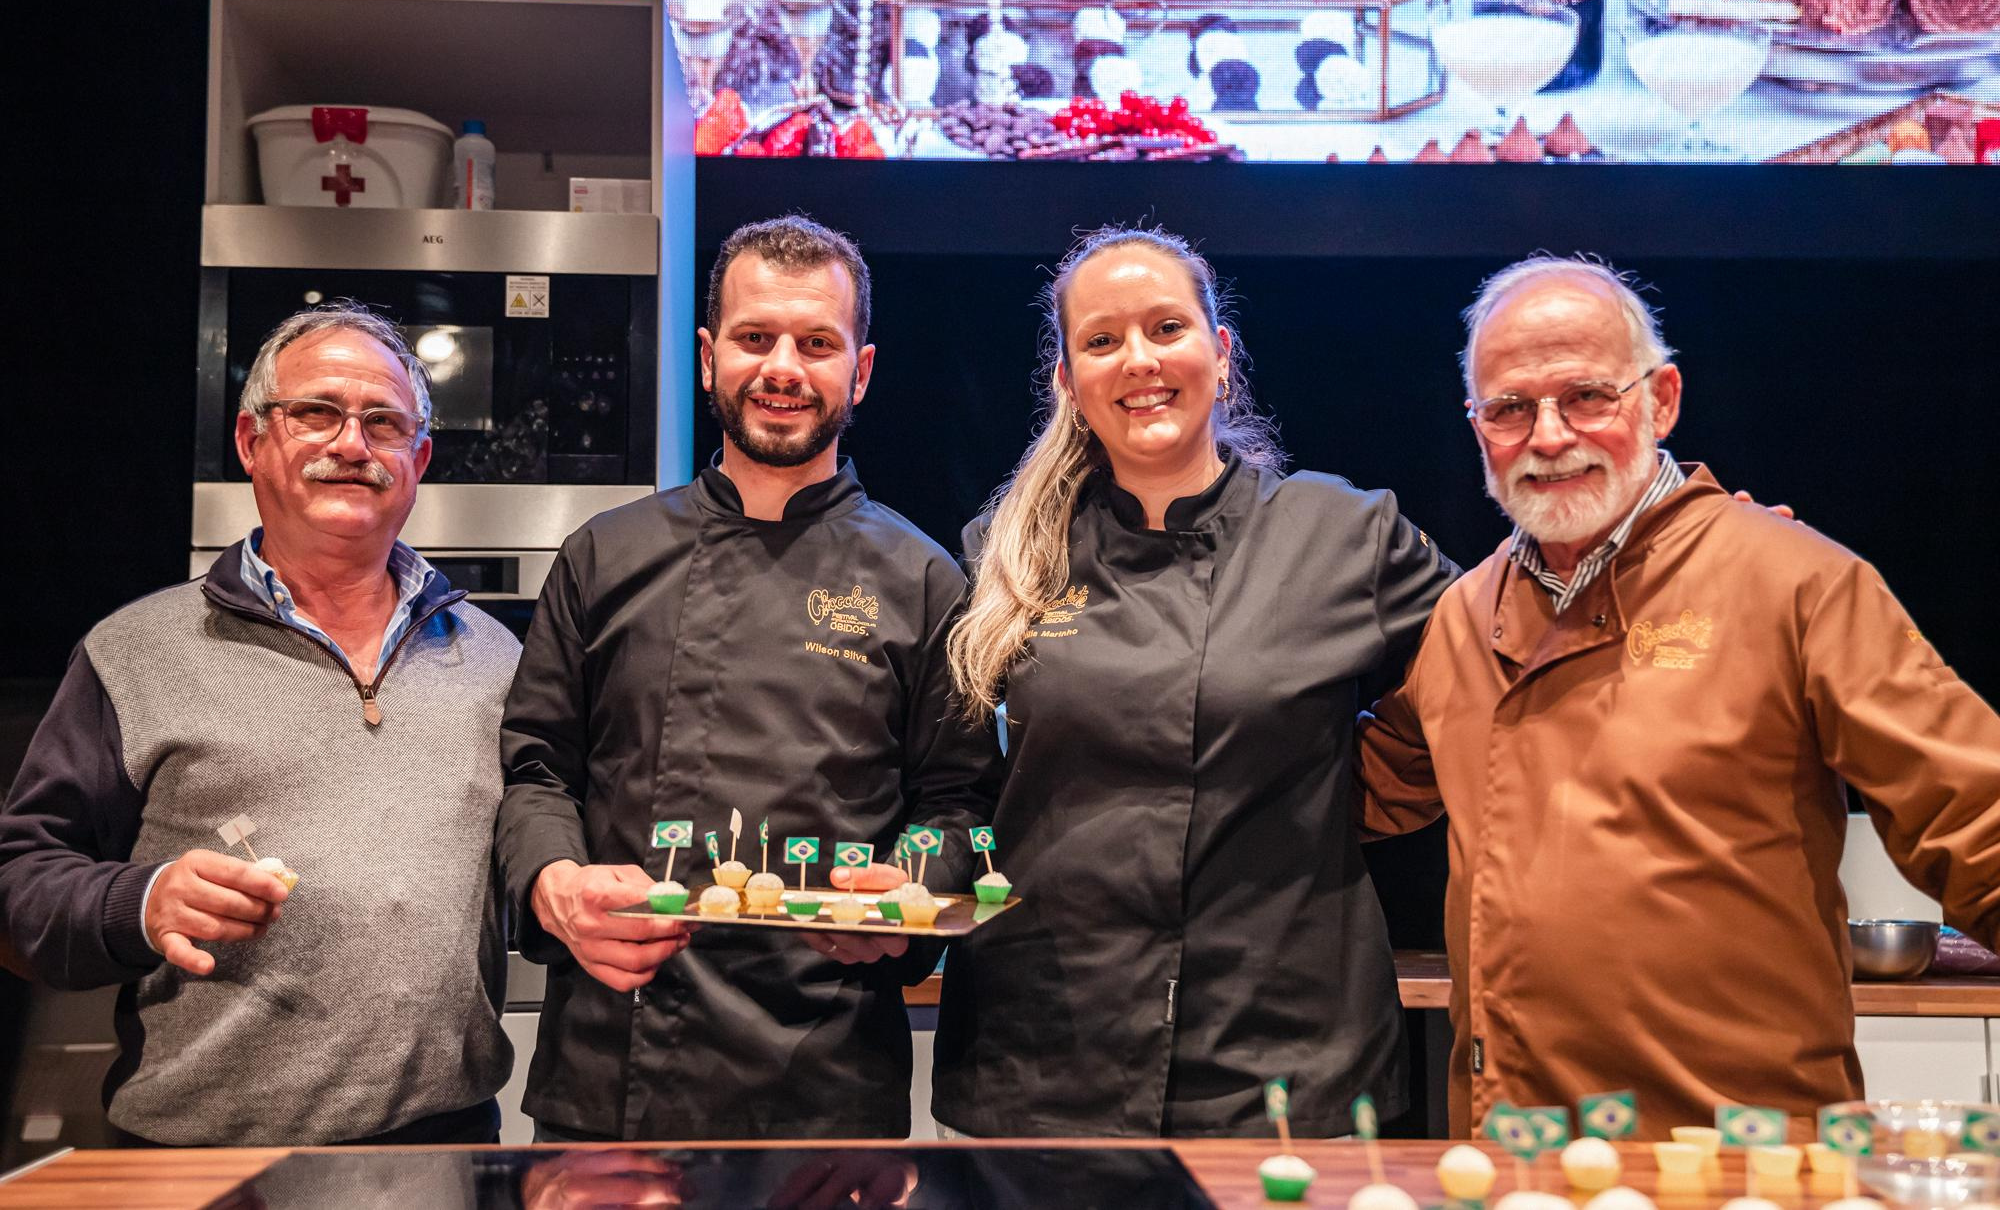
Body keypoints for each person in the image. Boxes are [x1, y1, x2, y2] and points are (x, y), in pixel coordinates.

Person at [1357, 256, 2000, 1139]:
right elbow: (1352, 788)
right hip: (1518, 1156)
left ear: (1661, 399)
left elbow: (1979, 817)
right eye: (1509, 407)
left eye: (1587, 395)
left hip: (1749, 1160)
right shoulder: (1463, 617)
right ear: (1477, 428)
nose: (1548, 435)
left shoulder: (1795, 582)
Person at [932, 226, 1458, 1137]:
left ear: (1222, 353)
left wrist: (1681, 555)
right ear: (1067, 382)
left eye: (1167, 328)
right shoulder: (1001, 556)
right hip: (1042, 1063)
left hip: (1289, 1062)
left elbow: (1504, 656)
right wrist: (902, 882)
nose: (1139, 359)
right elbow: (956, 791)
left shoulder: (1346, 535)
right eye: (1101, 341)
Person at [498, 214, 1000, 1141]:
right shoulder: (606, 555)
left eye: (817, 342)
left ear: (862, 370)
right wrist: (553, 880)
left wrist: (904, 889)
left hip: (827, 1083)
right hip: (613, 1066)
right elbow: (537, 770)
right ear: (707, 356)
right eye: (754, 337)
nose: (782, 367)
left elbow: (962, 801)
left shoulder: (924, 579)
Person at [0, 304, 518, 1146]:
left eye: (384, 422)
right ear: (251, 442)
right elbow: (18, 881)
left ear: (418, 458)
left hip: (445, 1147)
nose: (353, 444)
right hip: (200, 1159)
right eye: (317, 412)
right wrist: (142, 902)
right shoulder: (134, 651)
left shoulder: (494, 659)